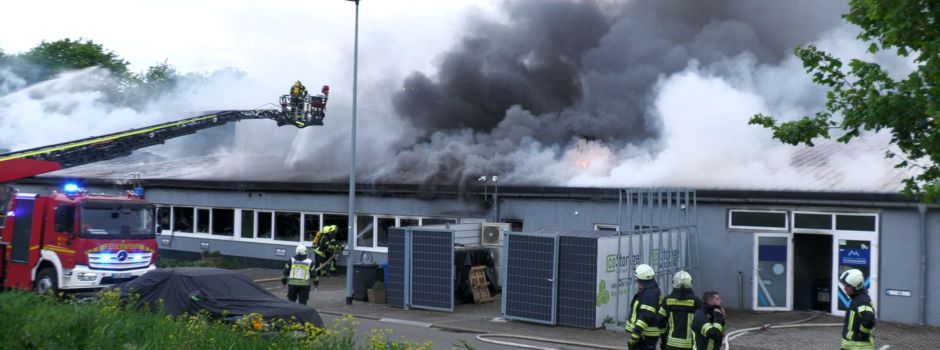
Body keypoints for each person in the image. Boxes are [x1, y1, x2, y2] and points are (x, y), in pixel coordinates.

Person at [657, 270, 699, 350]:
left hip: (671, 344)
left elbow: (660, 322)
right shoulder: (696, 302)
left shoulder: (667, 301)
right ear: (690, 283)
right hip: (690, 344)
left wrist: (663, 337)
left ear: (674, 283)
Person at [626, 264, 663, 350]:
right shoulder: (650, 290)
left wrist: (634, 336)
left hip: (645, 336)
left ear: (640, 280)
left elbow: (645, 316)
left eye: (636, 278)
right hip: (644, 335)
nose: (636, 280)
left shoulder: (649, 293)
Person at [839, 269, 876, 350]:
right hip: (852, 346)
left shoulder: (862, 301)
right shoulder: (857, 299)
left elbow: (869, 320)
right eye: (844, 285)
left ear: (856, 286)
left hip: (858, 347)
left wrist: (861, 334)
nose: (844, 288)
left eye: (847, 286)